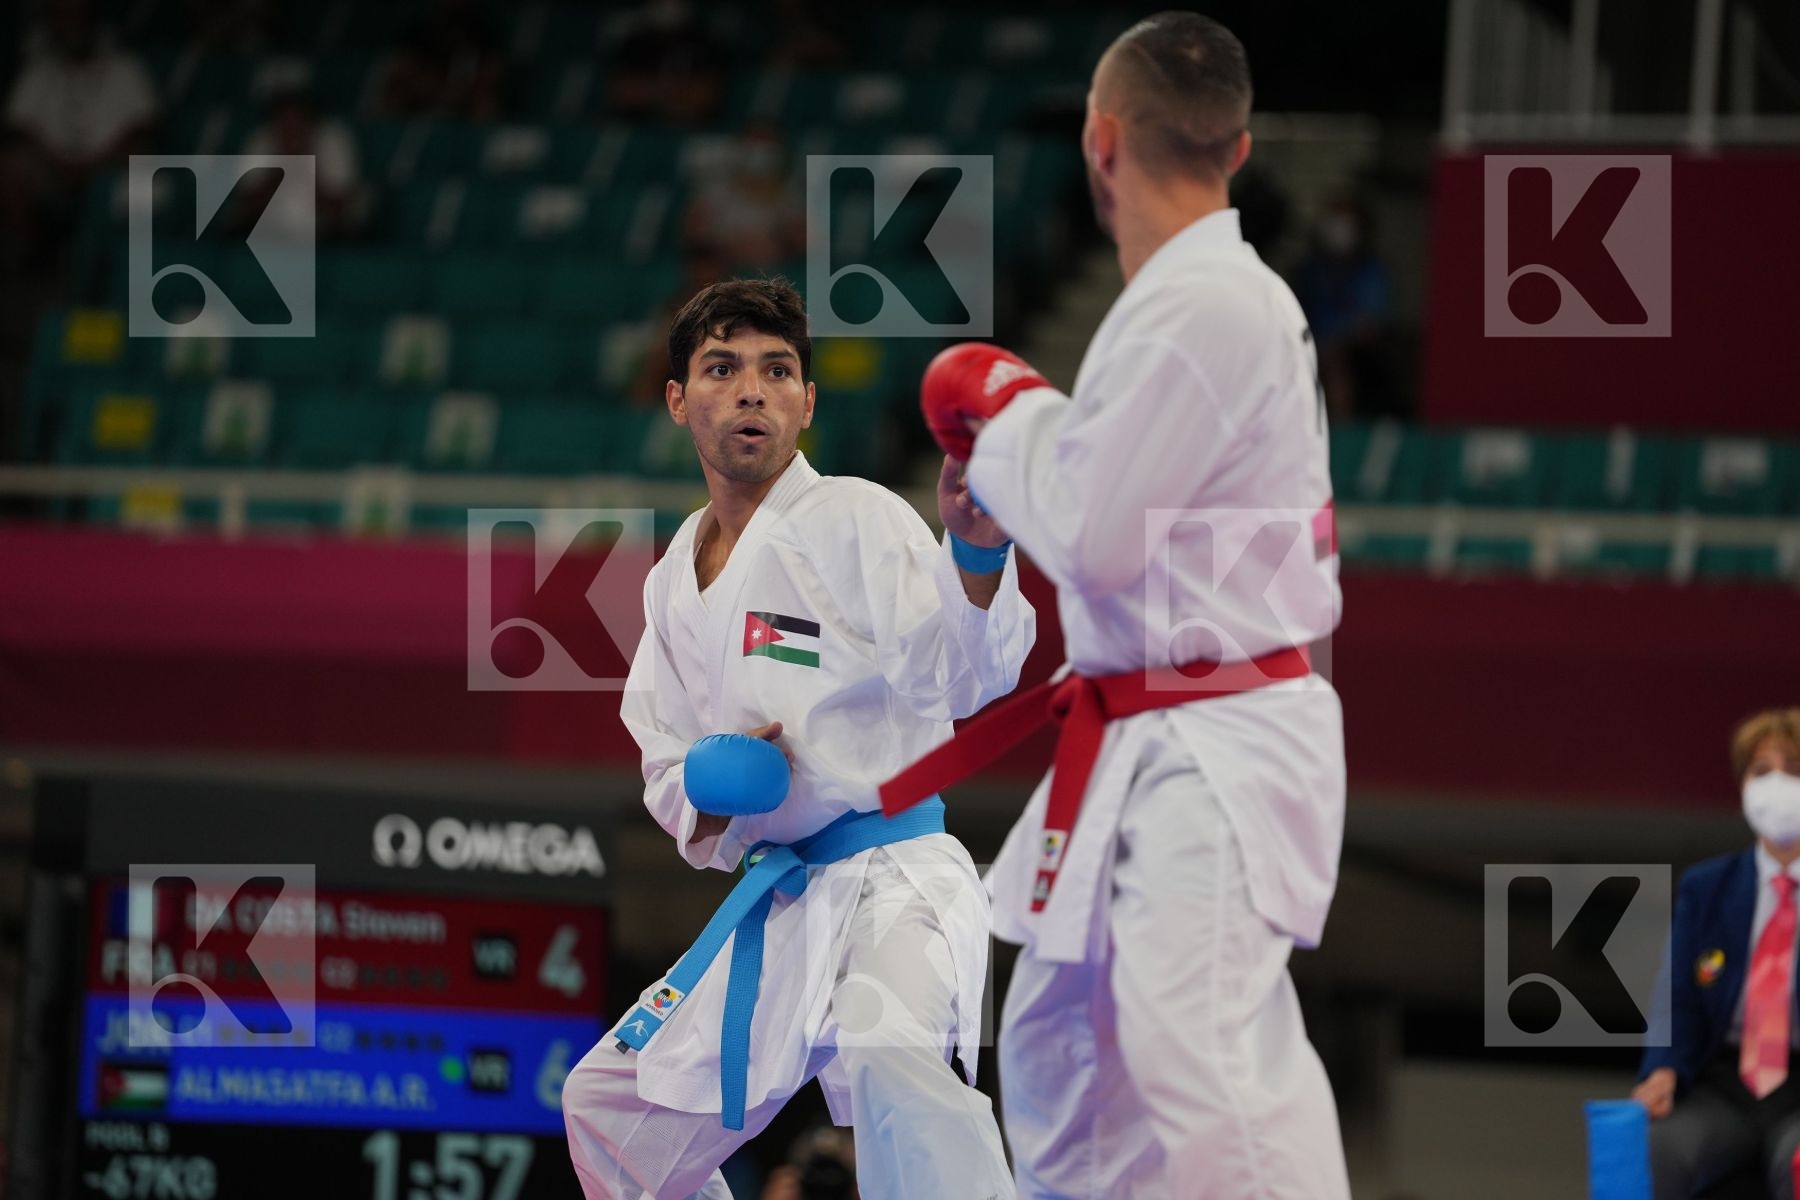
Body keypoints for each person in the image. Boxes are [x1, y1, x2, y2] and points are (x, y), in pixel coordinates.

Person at [886, 12, 1351, 1198]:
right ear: (1239, 147)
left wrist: (1007, 416)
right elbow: (1102, 517)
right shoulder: (1186, 308)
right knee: (1060, 1042)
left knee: (1198, 1055)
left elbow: (1092, 534)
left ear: (1101, 140)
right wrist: (1011, 469)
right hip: (1147, 727)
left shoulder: (1209, 305)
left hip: (1214, 736)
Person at [560, 278, 1032, 1200]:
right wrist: (703, 783)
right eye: (722, 368)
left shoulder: (854, 518)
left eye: (778, 371)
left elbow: (960, 677)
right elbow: (661, 755)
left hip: (895, 878)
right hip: (779, 903)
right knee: (606, 1107)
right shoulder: (668, 580)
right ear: (677, 400)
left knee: (897, 1064)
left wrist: (974, 557)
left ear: (807, 402)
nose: (752, 390)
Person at [1635, 708, 1800, 1200]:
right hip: (1724, 1082)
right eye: (1761, 771)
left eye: (1792, 768)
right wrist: (1663, 1069)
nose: (1776, 784)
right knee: (1651, 1150)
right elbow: (1678, 995)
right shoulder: (1707, 887)